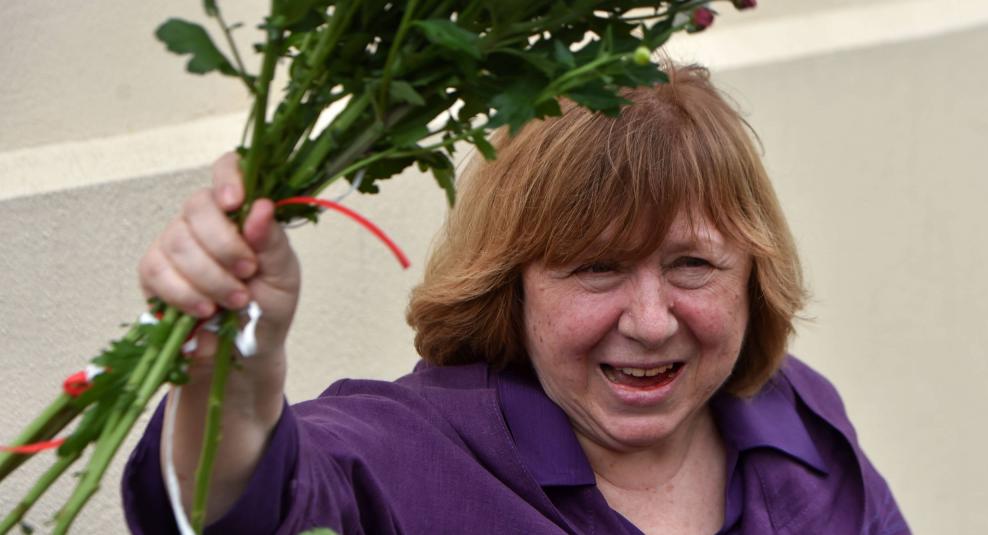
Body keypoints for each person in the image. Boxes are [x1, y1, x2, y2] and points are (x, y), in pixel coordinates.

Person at [123, 64, 909, 534]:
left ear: (751, 272)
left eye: (693, 264)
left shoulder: (798, 422)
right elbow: (238, 512)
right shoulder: (407, 458)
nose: (649, 321)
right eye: (596, 267)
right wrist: (233, 369)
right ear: (510, 280)